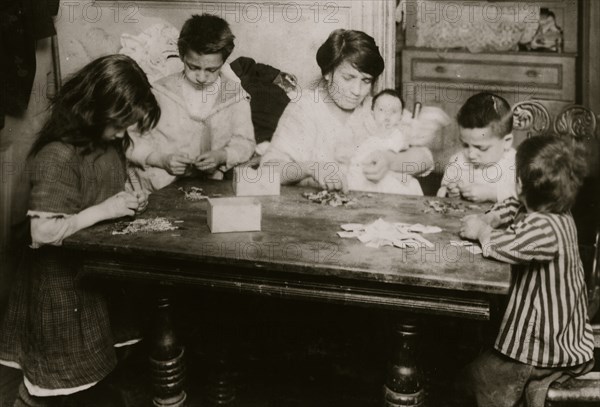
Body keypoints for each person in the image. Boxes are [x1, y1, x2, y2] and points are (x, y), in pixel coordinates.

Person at [0, 54, 161, 405]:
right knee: (53, 376)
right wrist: (105, 210)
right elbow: (41, 232)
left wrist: (133, 193)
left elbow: (110, 177)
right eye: (119, 124)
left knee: (100, 364)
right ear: (93, 110)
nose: (122, 133)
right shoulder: (57, 156)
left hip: (93, 275)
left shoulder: (107, 142)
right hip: (58, 284)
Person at [459, 135, 595, 407]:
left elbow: (506, 245)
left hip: (543, 344)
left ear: (519, 183)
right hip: (550, 330)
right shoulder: (555, 208)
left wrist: (482, 230)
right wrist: (491, 216)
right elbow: (514, 205)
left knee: (480, 377)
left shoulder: (544, 229)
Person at [260, 29, 434, 193]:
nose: (357, 90)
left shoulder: (376, 107)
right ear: (328, 73)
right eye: (348, 78)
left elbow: (425, 159)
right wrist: (311, 168)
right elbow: (268, 170)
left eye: (366, 81)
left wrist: (391, 161)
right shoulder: (306, 108)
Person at [127, 14, 256, 192]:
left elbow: (245, 143)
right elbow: (131, 140)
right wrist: (160, 160)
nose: (201, 77)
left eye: (212, 70)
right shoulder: (158, 92)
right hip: (158, 188)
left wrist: (222, 155)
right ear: (181, 55)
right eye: (193, 67)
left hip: (207, 188)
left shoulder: (235, 97)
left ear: (223, 61)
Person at [437, 93, 517, 203]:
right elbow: (442, 192)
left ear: (507, 142)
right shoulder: (458, 161)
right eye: (465, 145)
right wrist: (450, 193)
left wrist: (492, 194)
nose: (471, 155)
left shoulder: (517, 164)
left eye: (481, 148)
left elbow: (527, 197)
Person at [347, 89, 422, 195]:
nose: (387, 116)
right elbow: (358, 160)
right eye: (381, 110)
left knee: (411, 186)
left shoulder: (400, 137)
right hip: (370, 178)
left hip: (395, 181)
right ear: (372, 113)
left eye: (394, 112)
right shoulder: (367, 135)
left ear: (401, 116)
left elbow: (407, 161)